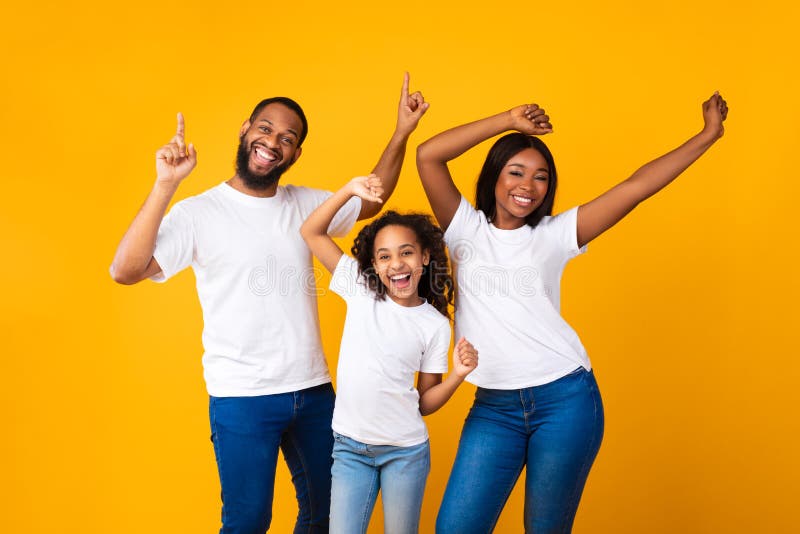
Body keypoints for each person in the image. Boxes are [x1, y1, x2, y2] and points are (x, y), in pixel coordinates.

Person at [109, 74, 429, 534]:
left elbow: (371, 201)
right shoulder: (199, 212)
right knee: (247, 523)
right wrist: (165, 185)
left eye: (287, 138)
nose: (272, 142)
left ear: (295, 153)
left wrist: (402, 131)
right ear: (245, 130)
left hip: (314, 393)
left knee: (326, 516)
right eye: (265, 128)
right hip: (241, 397)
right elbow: (125, 270)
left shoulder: (306, 204)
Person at [416, 92, 728, 533]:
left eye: (540, 177)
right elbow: (429, 155)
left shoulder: (555, 234)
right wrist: (508, 120)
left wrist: (707, 136)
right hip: (493, 406)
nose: (527, 186)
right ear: (494, 177)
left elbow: (635, 188)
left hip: (564, 400)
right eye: (516, 172)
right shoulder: (465, 228)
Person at [300, 174, 478, 534]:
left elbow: (426, 401)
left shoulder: (435, 325)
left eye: (406, 253)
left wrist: (458, 376)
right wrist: (349, 189)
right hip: (350, 449)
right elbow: (312, 232)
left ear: (425, 257)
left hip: (405, 453)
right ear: (375, 266)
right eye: (384, 256)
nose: (396, 263)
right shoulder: (361, 290)